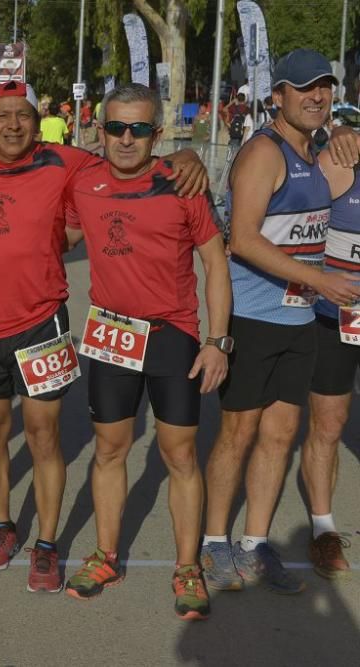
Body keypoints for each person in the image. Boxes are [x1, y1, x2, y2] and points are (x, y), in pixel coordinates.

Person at [0, 80, 208, 592]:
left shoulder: (70, 163)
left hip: (42, 317)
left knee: (45, 434)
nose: (12, 125)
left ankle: (47, 544)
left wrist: (187, 154)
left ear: (38, 120)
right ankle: (3, 526)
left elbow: (132, 157)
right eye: (1, 116)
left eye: (22, 115)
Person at [62, 83, 230, 621]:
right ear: (100, 130)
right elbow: (21, 168)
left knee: (179, 455)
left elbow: (215, 265)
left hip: (171, 335)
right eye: (116, 128)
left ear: (157, 133)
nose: (126, 139)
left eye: (138, 128)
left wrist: (217, 341)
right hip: (111, 334)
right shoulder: (83, 181)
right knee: (109, 449)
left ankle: (187, 568)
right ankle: (106, 555)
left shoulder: (182, 182)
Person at [201, 49, 360, 595]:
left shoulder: (316, 149)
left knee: (280, 434)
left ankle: (255, 541)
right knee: (238, 434)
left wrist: (340, 131)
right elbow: (240, 239)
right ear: (278, 97)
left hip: (296, 323)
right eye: (302, 89)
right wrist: (319, 281)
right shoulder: (263, 154)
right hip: (254, 317)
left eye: (324, 88)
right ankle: (214, 542)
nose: (316, 97)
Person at [297, 118, 358, 581]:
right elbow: (289, 222)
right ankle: (323, 527)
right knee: (329, 424)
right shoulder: (341, 160)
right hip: (338, 317)